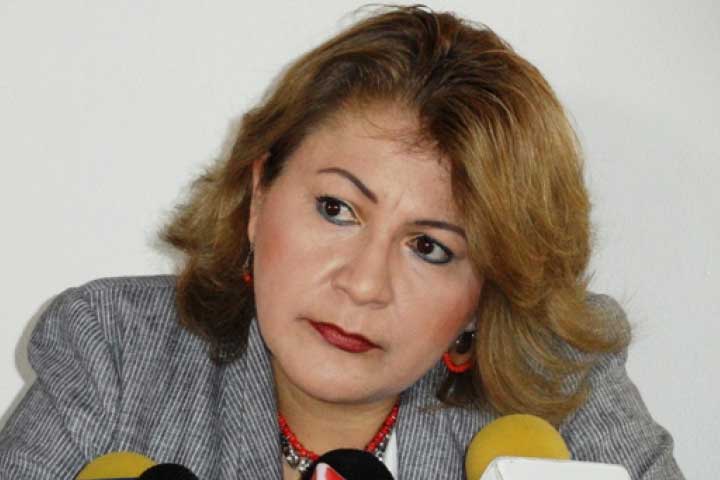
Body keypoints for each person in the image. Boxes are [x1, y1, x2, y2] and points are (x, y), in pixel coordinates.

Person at [0, 5, 684, 479]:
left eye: (430, 247)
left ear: (484, 293)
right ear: (259, 195)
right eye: (337, 209)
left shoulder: (561, 387)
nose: (363, 284)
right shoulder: (116, 352)